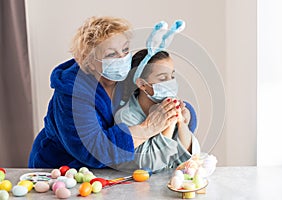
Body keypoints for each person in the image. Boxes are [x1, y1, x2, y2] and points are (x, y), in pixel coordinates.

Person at [28, 16, 180, 168]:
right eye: (111, 54)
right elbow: (93, 150)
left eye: (125, 49)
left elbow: (153, 98)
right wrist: (148, 128)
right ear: (90, 62)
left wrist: (181, 112)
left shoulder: (125, 76)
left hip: (106, 174)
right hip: (60, 169)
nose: (122, 58)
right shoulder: (72, 94)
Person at [114, 49, 201, 172]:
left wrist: (181, 122)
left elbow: (188, 160)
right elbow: (150, 165)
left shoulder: (174, 107)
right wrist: (169, 122)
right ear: (142, 84)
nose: (171, 82)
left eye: (172, 76)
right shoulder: (125, 117)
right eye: (163, 78)